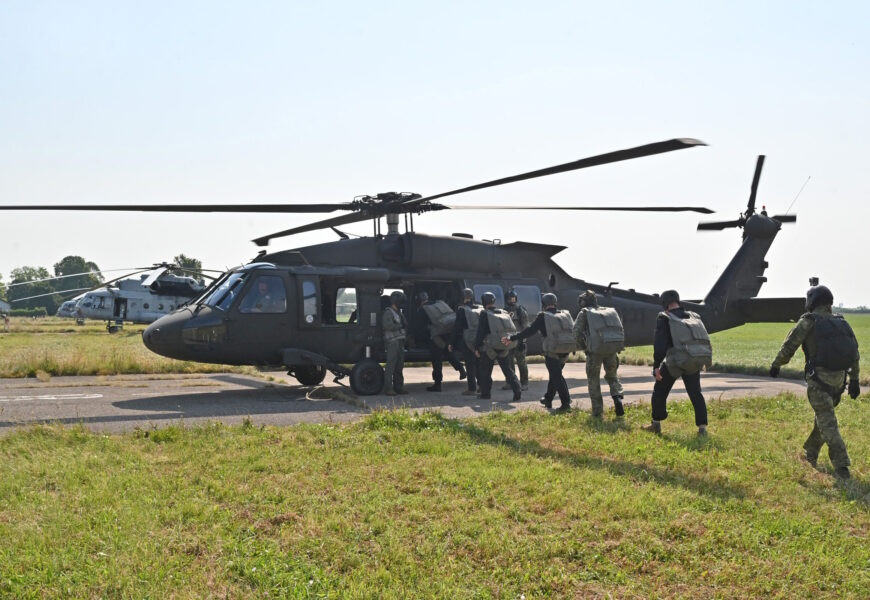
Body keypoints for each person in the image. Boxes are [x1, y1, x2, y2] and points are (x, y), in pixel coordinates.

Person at [769, 285, 860, 479]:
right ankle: (810, 454)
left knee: (828, 425)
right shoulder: (841, 322)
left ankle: (841, 467)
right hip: (839, 382)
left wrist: (777, 364)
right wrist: (854, 380)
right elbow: (854, 354)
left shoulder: (808, 321)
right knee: (824, 421)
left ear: (812, 301)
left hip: (819, 382)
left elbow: (790, 345)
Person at [643, 290, 712, 435]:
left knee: (660, 392)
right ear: (678, 301)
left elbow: (660, 345)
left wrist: (656, 366)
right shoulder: (693, 316)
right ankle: (702, 428)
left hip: (675, 362)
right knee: (696, 394)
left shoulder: (665, 318)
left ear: (664, 303)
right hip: (694, 360)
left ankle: (656, 424)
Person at [510, 293, 576, 411]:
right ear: (555, 303)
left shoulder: (543, 316)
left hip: (552, 351)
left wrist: (513, 337)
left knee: (556, 376)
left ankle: (566, 403)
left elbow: (529, 331)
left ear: (544, 304)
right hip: (566, 350)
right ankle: (548, 398)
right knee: (555, 375)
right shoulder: (565, 314)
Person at [573, 290, 625, 417]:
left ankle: (597, 411)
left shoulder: (584, 313)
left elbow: (576, 333)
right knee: (612, 376)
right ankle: (617, 398)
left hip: (594, 352)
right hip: (611, 350)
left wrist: (585, 348)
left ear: (584, 302)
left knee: (593, 380)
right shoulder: (610, 311)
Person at [413, 291, 466, 392]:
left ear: (418, 301)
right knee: (447, 351)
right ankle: (461, 369)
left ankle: (437, 384)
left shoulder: (423, 310)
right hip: (447, 333)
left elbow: (420, 328)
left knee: (436, 360)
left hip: (436, 337)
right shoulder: (438, 304)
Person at [473, 292, 521, 401]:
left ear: (484, 302)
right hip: (504, 346)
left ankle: (486, 394)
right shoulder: (504, 313)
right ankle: (517, 391)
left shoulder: (485, 314)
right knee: (508, 371)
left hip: (490, 347)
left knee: (485, 371)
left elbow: (480, 332)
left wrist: (476, 347)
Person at [448, 288, 482, 396]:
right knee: (478, 363)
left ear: (462, 297)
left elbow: (457, 327)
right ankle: (481, 386)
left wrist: (451, 342)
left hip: (467, 339)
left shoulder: (462, 310)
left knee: (470, 364)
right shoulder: (479, 308)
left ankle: (472, 389)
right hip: (479, 339)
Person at [382, 290, 409, 396]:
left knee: (399, 366)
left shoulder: (399, 313)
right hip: (392, 342)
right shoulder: (388, 312)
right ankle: (388, 388)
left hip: (400, 341)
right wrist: (400, 326)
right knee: (391, 366)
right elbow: (387, 326)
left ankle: (399, 387)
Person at [503, 290, 530, 391]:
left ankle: (524, 383)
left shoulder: (520, 310)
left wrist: (523, 341)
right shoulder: (504, 311)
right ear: (506, 300)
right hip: (509, 341)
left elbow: (526, 327)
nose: (512, 300)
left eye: (513, 298)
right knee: (509, 363)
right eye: (510, 299)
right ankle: (511, 382)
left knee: (521, 363)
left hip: (519, 340)